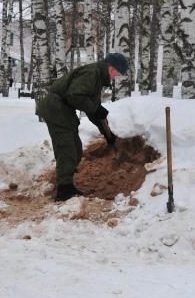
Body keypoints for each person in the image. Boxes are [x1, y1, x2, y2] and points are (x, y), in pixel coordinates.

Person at [36, 53, 129, 202]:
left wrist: (108, 135)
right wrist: (95, 108)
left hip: (64, 111)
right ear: (111, 68)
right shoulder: (92, 73)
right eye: (117, 73)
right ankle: (64, 191)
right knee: (67, 148)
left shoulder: (97, 78)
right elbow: (75, 95)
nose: (116, 77)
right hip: (56, 109)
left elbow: (94, 112)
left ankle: (67, 185)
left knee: (75, 148)